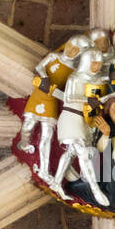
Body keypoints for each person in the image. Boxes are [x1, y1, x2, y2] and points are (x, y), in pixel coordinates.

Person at [19, 34, 89, 181]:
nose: (70, 51)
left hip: (51, 100)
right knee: (28, 125)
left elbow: (69, 90)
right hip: (39, 95)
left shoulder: (73, 72)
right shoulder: (53, 57)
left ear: (79, 54)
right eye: (70, 46)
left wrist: (58, 93)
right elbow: (39, 67)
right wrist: (44, 78)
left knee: (47, 136)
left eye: (75, 50)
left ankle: (44, 170)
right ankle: (24, 143)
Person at [48, 47, 109, 207]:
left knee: (71, 153)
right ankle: (95, 189)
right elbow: (69, 97)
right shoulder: (75, 78)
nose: (96, 67)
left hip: (84, 120)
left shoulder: (98, 79)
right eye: (93, 63)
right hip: (70, 117)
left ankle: (56, 182)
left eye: (98, 64)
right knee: (82, 153)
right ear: (86, 62)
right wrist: (89, 99)